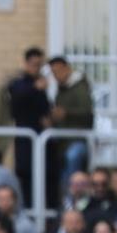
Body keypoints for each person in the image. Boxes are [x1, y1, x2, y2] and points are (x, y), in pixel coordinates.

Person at [4, 47, 53, 206]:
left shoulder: (42, 86)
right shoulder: (19, 84)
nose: (36, 68)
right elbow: (16, 101)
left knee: (44, 177)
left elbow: (43, 108)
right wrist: (34, 88)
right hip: (25, 140)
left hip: (41, 138)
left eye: (39, 65)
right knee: (25, 177)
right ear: (26, 64)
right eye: (33, 64)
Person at [48, 56, 94, 203]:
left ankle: (71, 200)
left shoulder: (80, 87)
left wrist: (66, 113)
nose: (57, 75)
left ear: (67, 68)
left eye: (59, 71)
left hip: (77, 140)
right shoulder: (60, 90)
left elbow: (87, 113)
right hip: (63, 141)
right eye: (53, 72)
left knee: (72, 160)